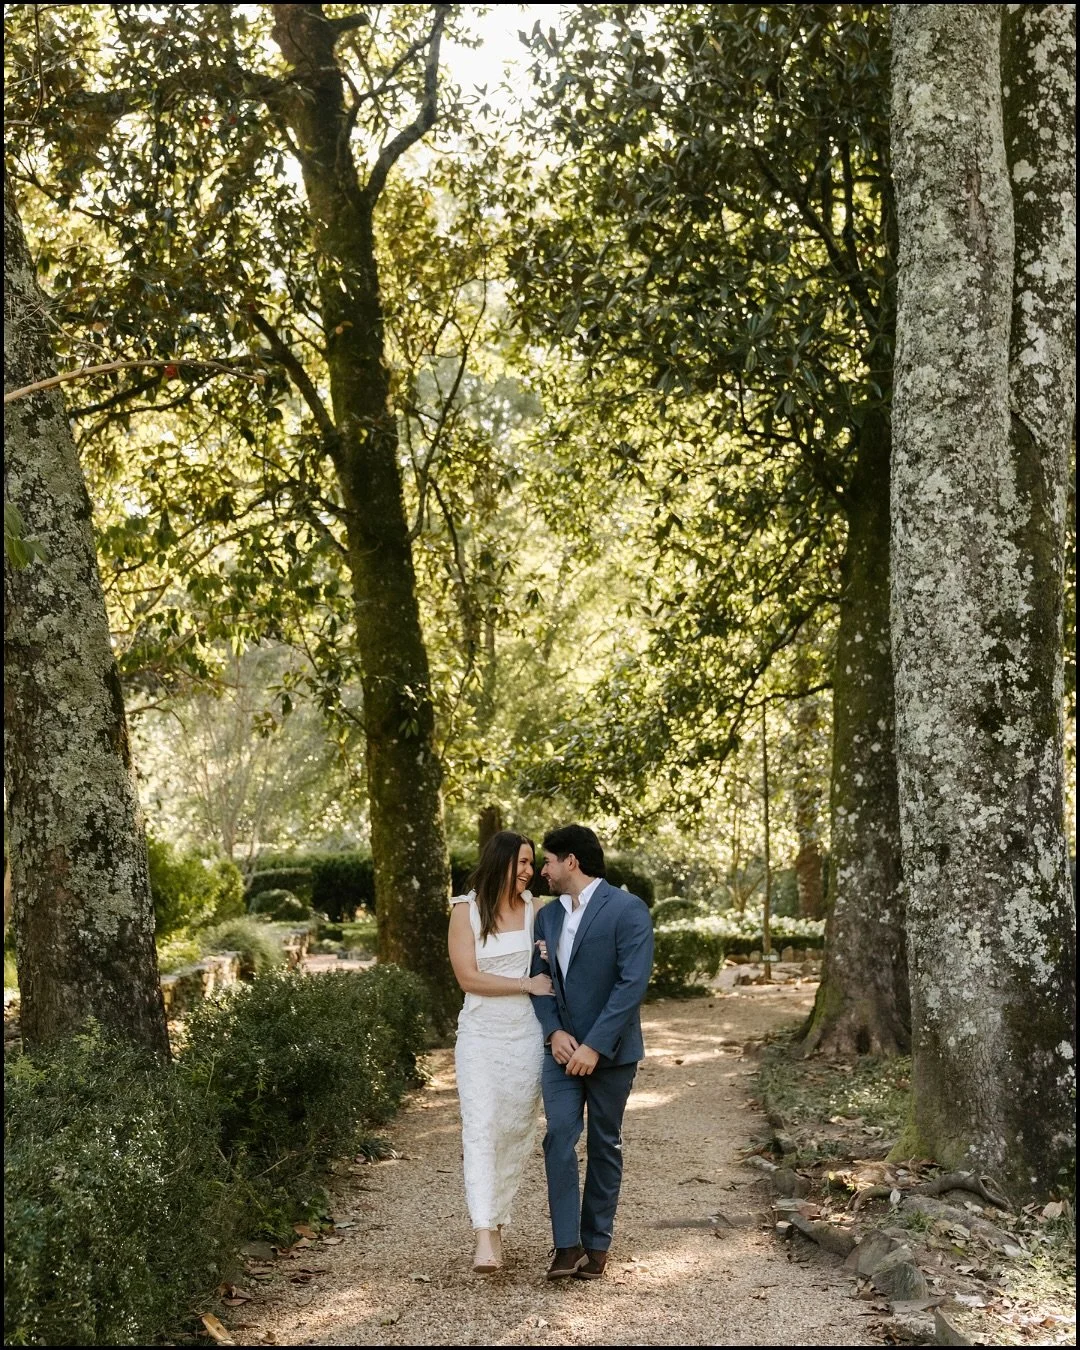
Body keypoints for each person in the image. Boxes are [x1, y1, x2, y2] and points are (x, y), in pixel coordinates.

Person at [529, 824, 654, 1281]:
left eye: (547, 861)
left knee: (606, 1143)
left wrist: (595, 1046)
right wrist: (553, 1033)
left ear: (571, 862)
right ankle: (566, 1245)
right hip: (560, 1053)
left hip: (612, 1054)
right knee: (558, 1137)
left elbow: (631, 985)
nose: (542, 870)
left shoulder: (627, 909)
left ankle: (597, 1244)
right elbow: (540, 981)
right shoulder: (547, 917)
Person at [448, 830, 553, 1273]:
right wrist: (526, 983)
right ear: (501, 862)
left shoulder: (536, 911)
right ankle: (484, 1235)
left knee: (514, 1131)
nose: (530, 871)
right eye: (523, 863)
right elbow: (468, 979)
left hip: (525, 1035)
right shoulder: (465, 910)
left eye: (532, 863)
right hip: (480, 1035)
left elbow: (553, 966)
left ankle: (497, 1219)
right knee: (481, 1126)